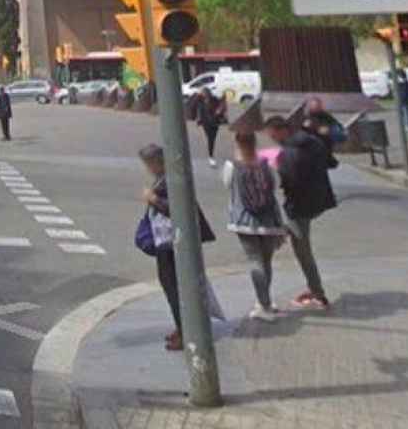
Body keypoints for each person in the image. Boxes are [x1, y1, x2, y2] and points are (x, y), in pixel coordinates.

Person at [138, 143, 217, 352]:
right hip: (171, 240)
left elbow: (177, 210)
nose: (148, 168)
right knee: (174, 285)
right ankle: (183, 327)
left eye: (148, 164)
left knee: (173, 286)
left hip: (170, 242)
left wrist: (153, 199)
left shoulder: (169, 181)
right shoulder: (169, 176)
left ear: (155, 162)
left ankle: (185, 331)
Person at [265, 107, 340, 311]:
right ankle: (314, 288)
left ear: (280, 130)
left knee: (302, 251)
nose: (273, 140)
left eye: (272, 135)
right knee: (299, 245)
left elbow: (290, 183)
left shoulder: (290, 152)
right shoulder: (311, 140)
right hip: (318, 199)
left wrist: (278, 170)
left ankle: (318, 293)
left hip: (300, 206)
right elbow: (332, 162)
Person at [223, 128, 287, 321]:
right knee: (266, 262)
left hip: (244, 222)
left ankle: (264, 306)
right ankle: (265, 300)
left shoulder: (232, 166)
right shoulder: (266, 165)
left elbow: (228, 185)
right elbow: (273, 188)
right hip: (268, 221)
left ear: (237, 144)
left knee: (255, 261)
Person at [193, 86, 227, 167]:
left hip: (214, 122)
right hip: (206, 123)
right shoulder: (200, 100)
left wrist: (220, 108)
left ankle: (211, 156)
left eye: (205, 93)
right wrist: (197, 95)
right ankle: (211, 156)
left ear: (208, 93)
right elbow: (193, 105)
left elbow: (221, 104)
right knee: (210, 139)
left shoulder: (214, 99)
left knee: (212, 138)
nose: (204, 95)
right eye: (203, 94)